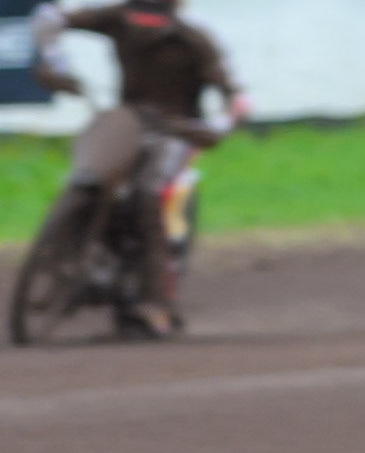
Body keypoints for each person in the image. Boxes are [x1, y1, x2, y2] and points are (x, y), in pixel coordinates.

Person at [30, 0, 249, 337]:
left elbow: (234, 96)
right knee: (90, 175)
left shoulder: (193, 40)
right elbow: (51, 19)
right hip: (128, 122)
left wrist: (218, 126)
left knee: (148, 194)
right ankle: (66, 265)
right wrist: (53, 63)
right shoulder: (117, 18)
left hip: (178, 131)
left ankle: (153, 301)